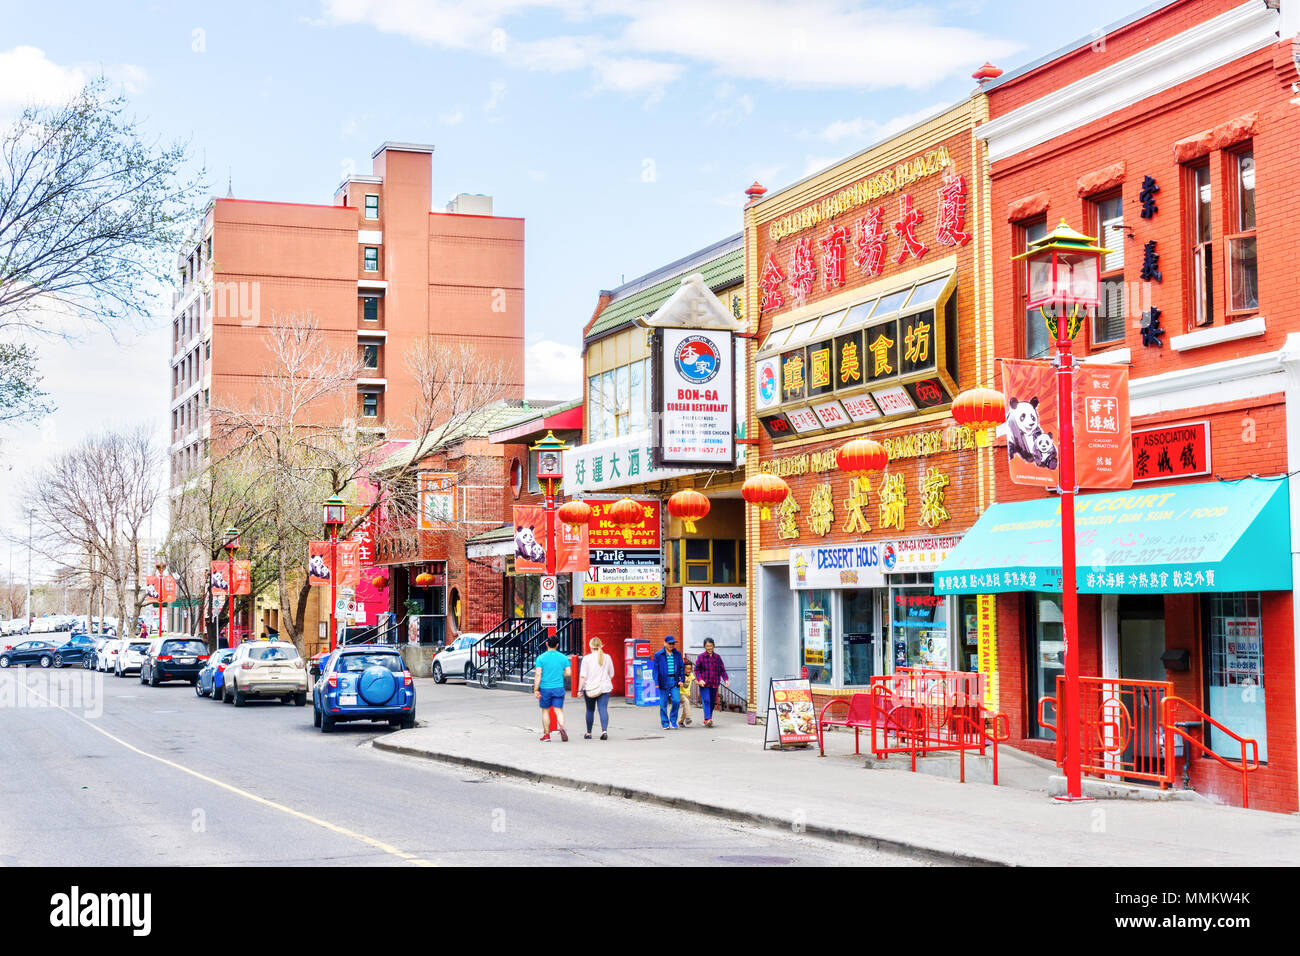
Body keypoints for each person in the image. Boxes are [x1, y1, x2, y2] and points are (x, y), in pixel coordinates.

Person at [532, 636, 571, 741]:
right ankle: (562, 727)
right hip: (558, 687)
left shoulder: (541, 658)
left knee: (545, 711)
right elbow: (569, 673)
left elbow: (538, 674)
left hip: (545, 688)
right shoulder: (563, 657)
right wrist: (560, 674)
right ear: (557, 645)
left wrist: (536, 689)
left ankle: (547, 735)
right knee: (558, 710)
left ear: (546, 644)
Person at [578, 637, 615, 740]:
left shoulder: (587, 658)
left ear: (590, 646)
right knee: (603, 709)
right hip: (604, 687)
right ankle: (604, 731)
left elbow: (583, 676)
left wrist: (579, 690)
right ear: (601, 645)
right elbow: (611, 673)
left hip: (589, 688)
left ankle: (589, 733)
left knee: (590, 710)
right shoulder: (607, 657)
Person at [694, 637, 730, 728]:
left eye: (711, 646)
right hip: (704, 683)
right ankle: (708, 718)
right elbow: (697, 670)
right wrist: (700, 679)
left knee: (712, 702)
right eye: (707, 646)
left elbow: (722, 670)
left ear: (713, 646)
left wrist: (726, 680)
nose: (709, 648)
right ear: (704, 647)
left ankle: (707, 719)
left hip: (714, 682)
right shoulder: (701, 657)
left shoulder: (717, 657)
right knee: (706, 700)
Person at [652, 636, 685, 730]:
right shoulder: (659, 654)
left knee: (676, 700)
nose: (671, 645)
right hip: (663, 681)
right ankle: (665, 722)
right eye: (670, 643)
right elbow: (655, 669)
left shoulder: (677, 654)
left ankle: (673, 721)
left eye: (673, 643)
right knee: (663, 703)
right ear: (665, 643)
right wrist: (656, 681)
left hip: (674, 681)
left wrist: (681, 680)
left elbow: (682, 668)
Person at [679, 658, 695, 727]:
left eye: (690, 669)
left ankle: (681, 722)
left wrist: (700, 683)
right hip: (681, 693)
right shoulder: (681, 675)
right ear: (684, 669)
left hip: (687, 694)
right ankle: (688, 718)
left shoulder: (691, 675)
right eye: (687, 669)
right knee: (686, 702)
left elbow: (695, 680)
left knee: (685, 709)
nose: (689, 670)